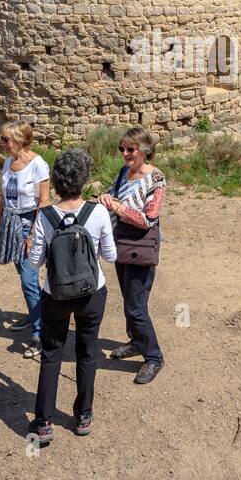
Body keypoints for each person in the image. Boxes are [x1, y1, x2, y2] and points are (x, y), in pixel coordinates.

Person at [26, 148, 117, 445]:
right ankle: (83, 414)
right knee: (87, 352)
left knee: (51, 355)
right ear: (84, 180)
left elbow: (35, 263)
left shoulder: (46, 216)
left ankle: (43, 422)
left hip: (56, 294)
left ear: (56, 182)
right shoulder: (99, 212)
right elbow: (110, 256)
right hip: (91, 292)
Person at [99, 126, 166, 384]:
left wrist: (118, 207)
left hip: (140, 245)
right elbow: (113, 197)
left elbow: (149, 218)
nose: (125, 153)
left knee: (136, 307)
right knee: (129, 298)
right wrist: (106, 199)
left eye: (130, 149)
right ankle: (137, 341)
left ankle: (154, 357)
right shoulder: (123, 173)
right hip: (121, 242)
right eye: (122, 149)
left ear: (144, 151)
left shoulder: (156, 178)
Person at [0, 121, 50, 359]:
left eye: (6, 139)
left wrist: (34, 234)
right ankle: (35, 313)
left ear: (19, 140)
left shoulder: (38, 165)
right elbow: (3, 198)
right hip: (10, 221)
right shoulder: (7, 163)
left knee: (28, 280)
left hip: (29, 223)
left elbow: (43, 202)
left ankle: (40, 334)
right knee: (25, 277)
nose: (2, 144)